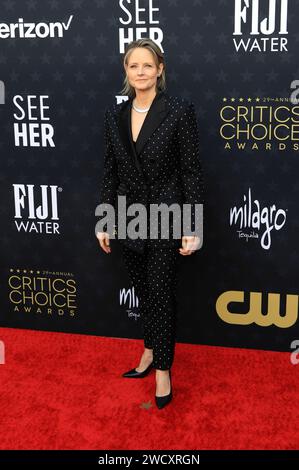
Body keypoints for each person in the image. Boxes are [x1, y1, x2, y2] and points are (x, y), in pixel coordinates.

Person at [96, 38, 204, 409]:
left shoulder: (178, 110)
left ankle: (162, 370)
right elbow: (110, 171)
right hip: (128, 218)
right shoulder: (115, 116)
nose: (140, 72)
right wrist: (104, 219)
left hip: (165, 214)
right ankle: (148, 350)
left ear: (160, 69)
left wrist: (193, 225)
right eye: (132, 66)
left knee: (159, 292)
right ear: (125, 72)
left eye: (147, 65)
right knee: (143, 288)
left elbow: (191, 172)